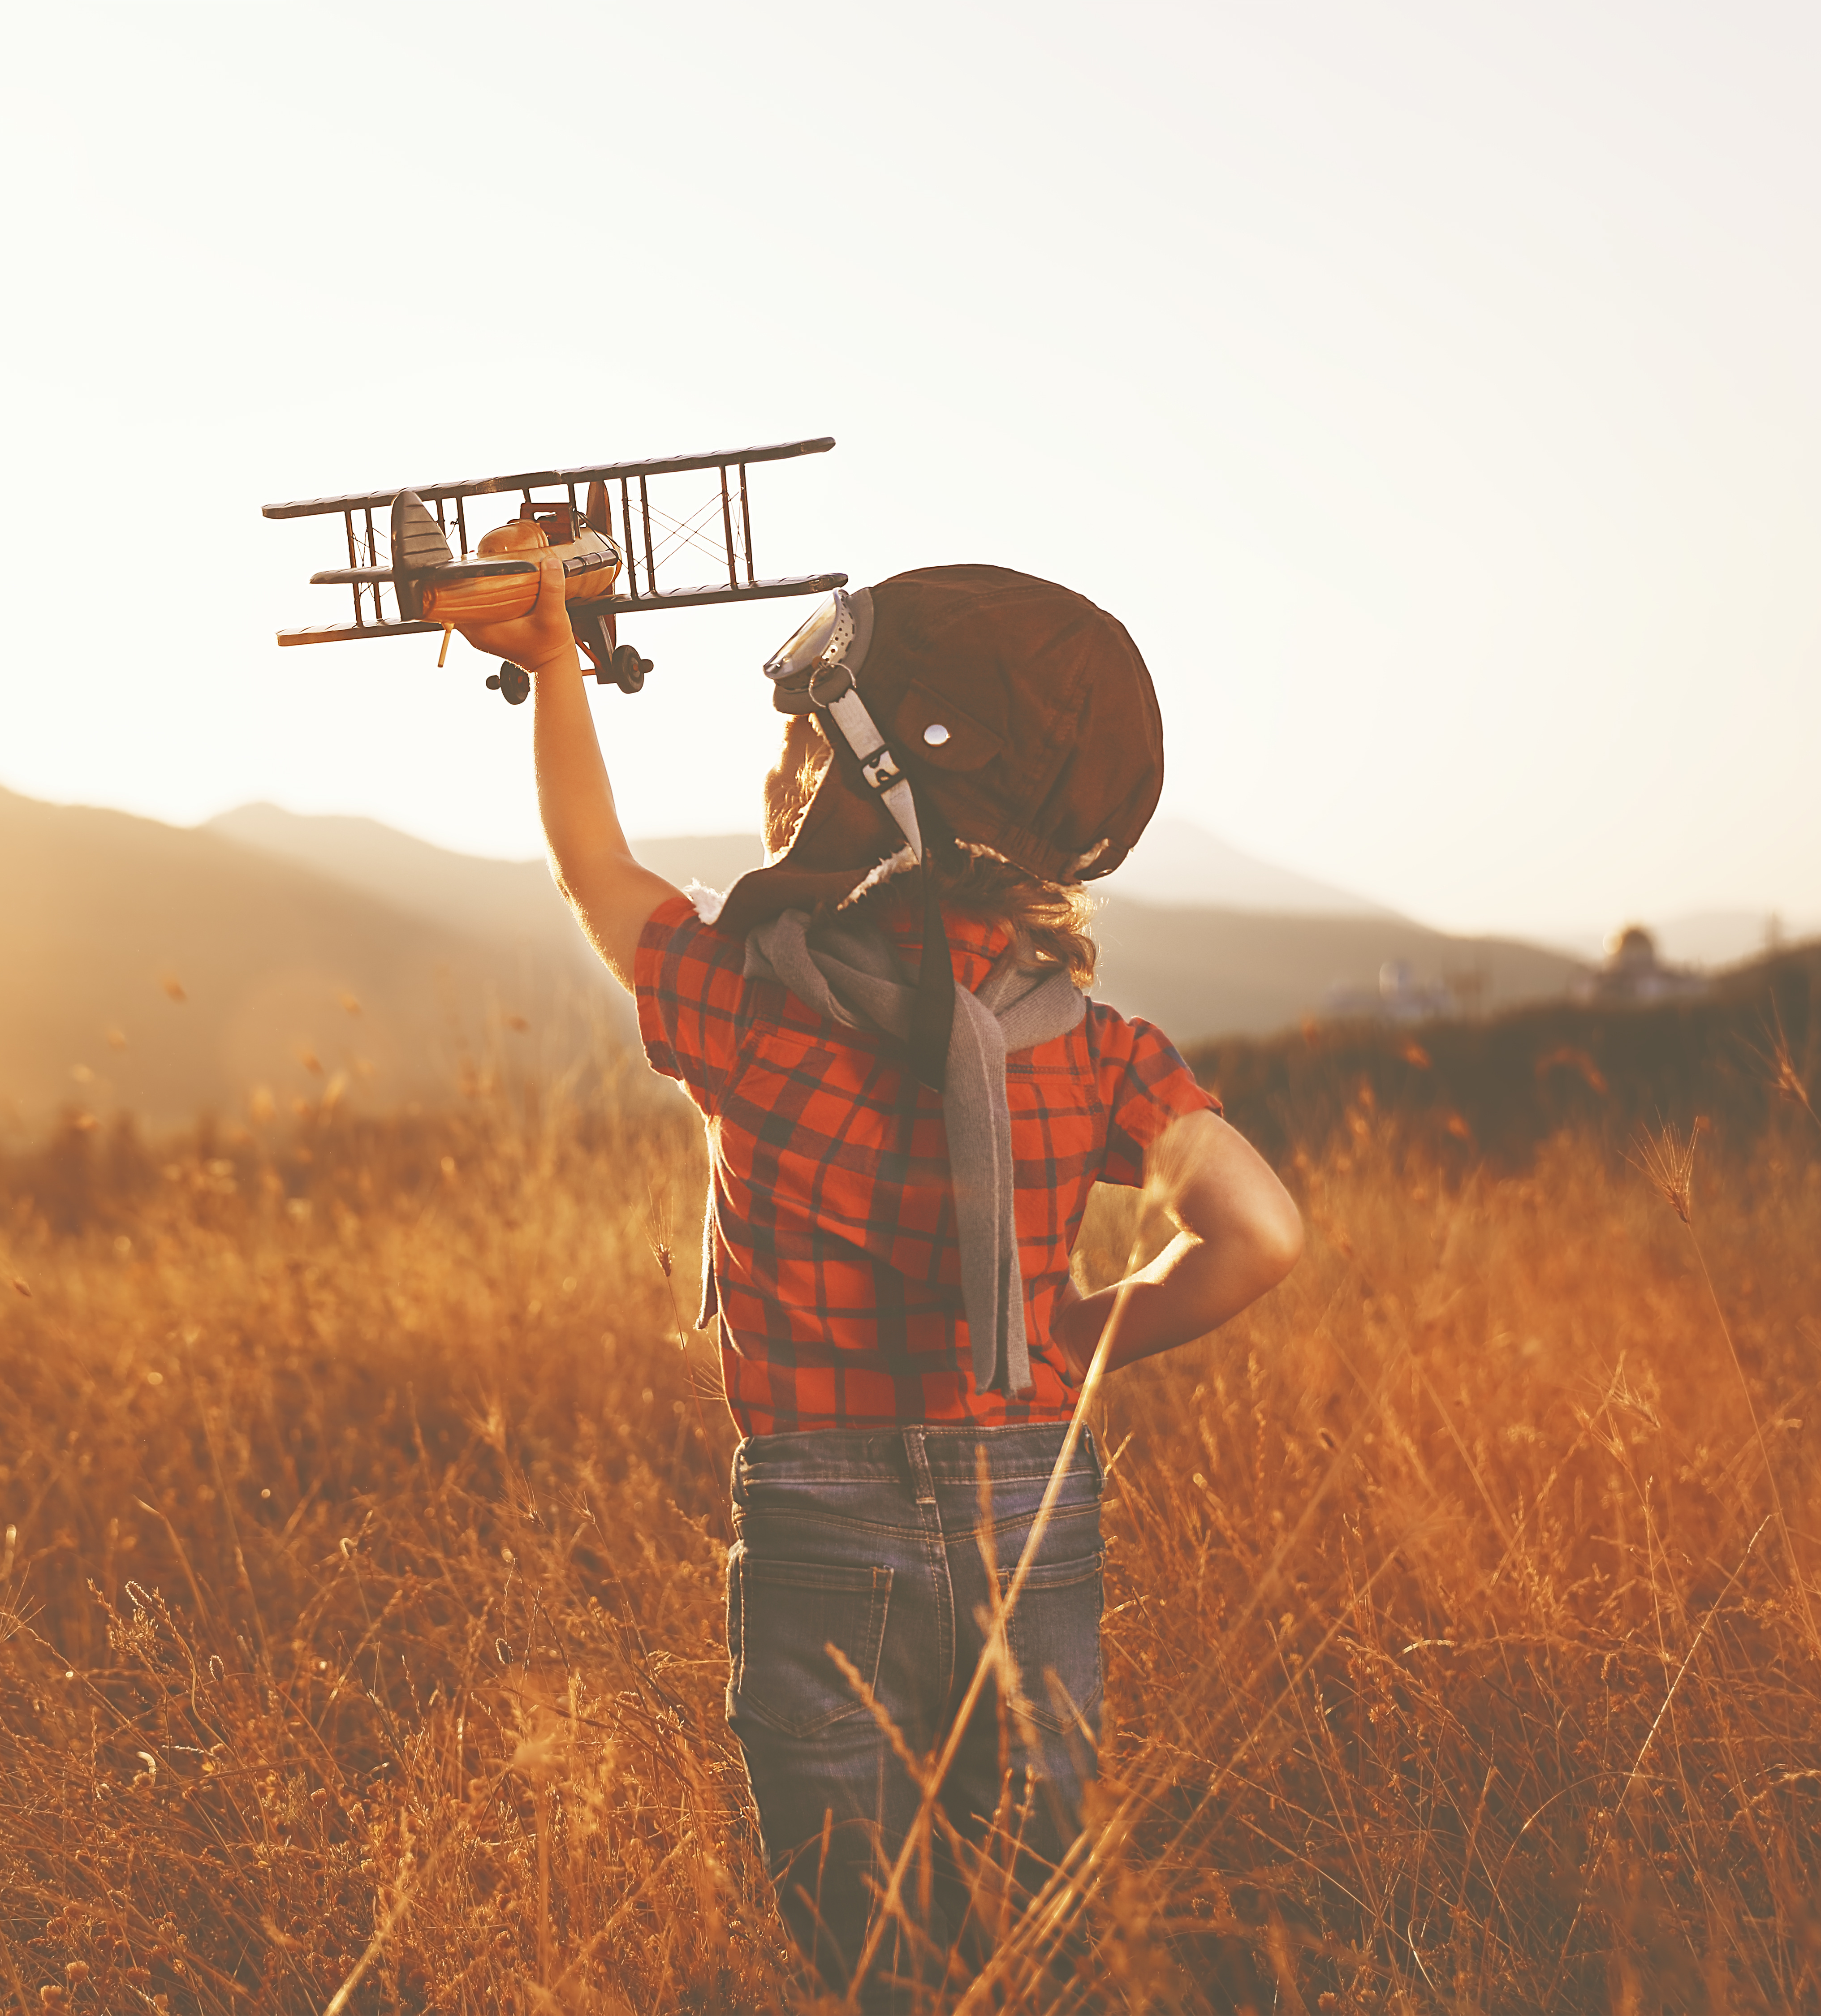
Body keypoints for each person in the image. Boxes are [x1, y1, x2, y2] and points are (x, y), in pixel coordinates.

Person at [453, 548, 1304, 2011]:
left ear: (863, 780)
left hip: (815, 1518)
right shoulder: (1094, 1048)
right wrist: (1078, 1333)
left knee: (863, 1939)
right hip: (1029, 1501)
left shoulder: (746, 994)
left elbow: (594, 863)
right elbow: (1263, 1232)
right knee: (1045, 1918)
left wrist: (553, 670)